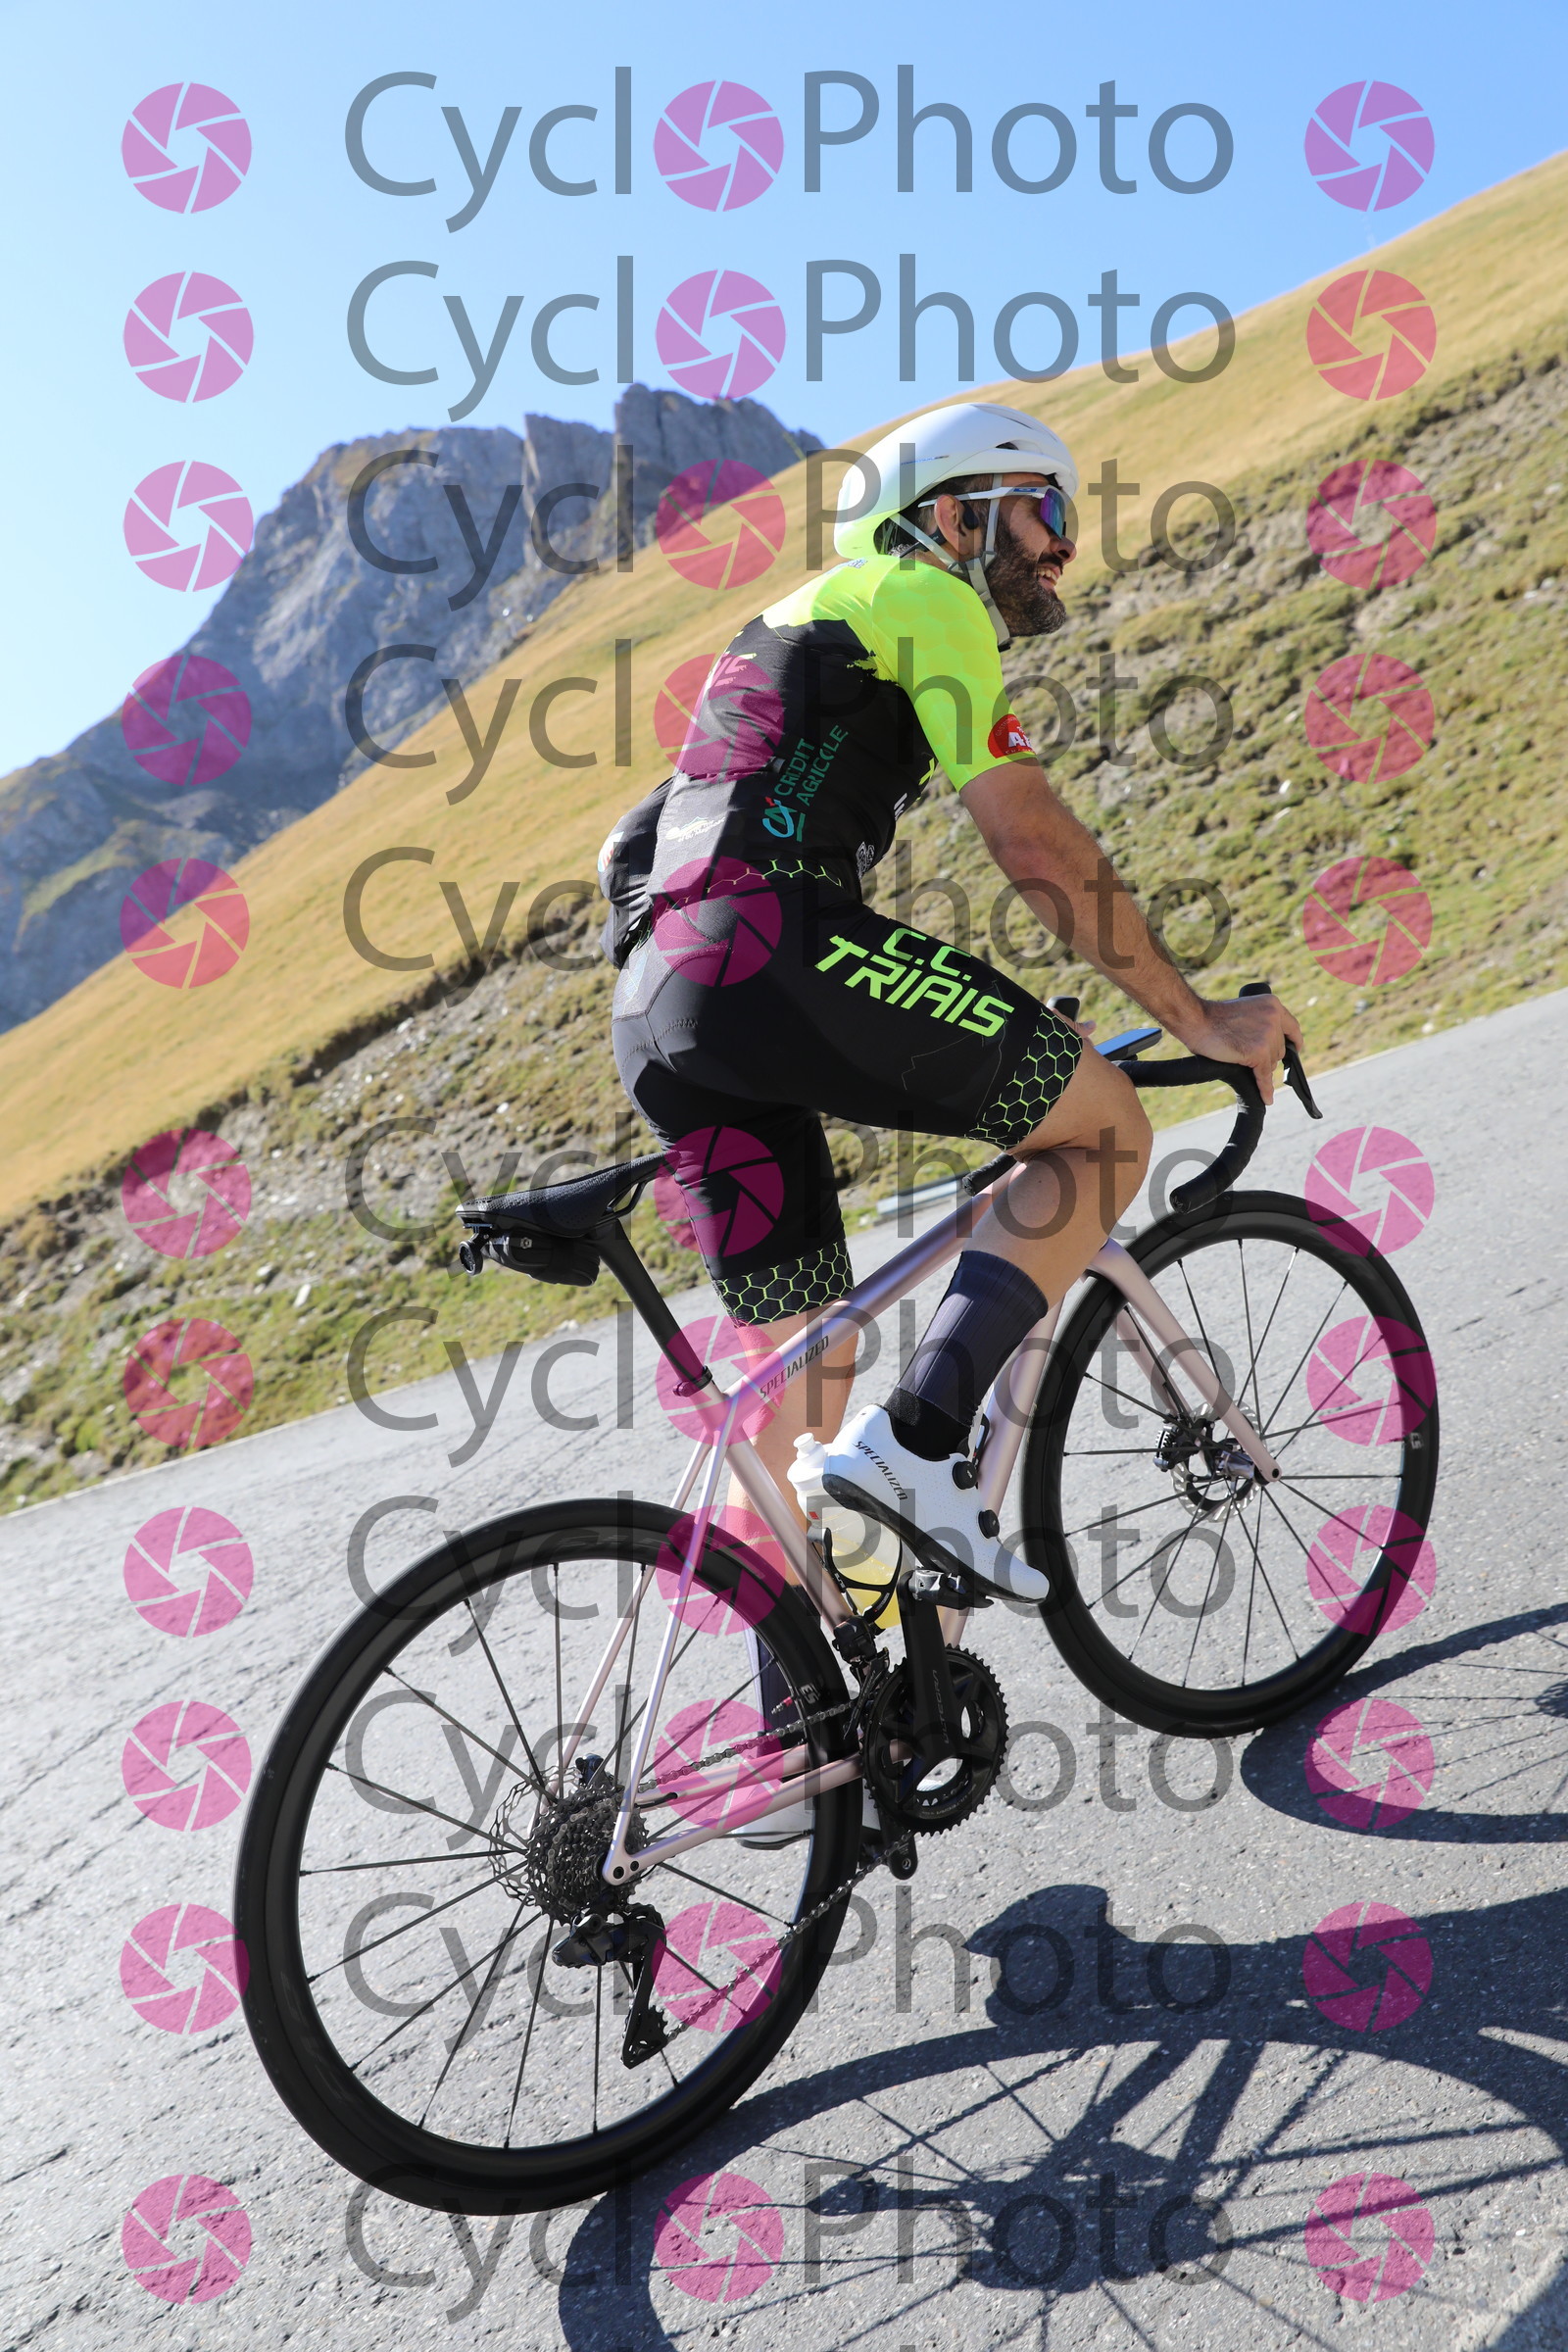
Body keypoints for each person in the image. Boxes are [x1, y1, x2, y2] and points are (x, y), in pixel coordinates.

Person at [603, 400, 1300, 1599]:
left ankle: (803, 1702)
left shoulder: (791, 628)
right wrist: (1198, 1018)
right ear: (951, 519)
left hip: (662, 1005)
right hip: (767, 956)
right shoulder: (921, 594)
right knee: (1101, 1129)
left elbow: (634, 846)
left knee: (803, 1387)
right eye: (1043, 506)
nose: (1063, 540)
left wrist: (993, 1028)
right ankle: (921, 1445)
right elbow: (1029, 842)